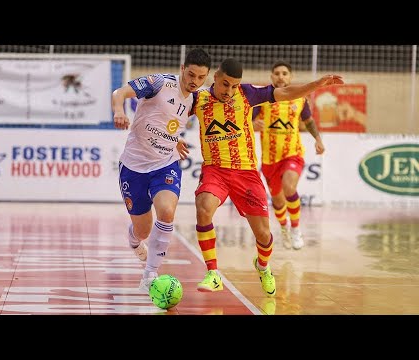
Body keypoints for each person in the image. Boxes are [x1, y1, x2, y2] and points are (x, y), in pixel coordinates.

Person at [190, 58, 343, 297]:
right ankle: (213, 273)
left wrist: (315, 84)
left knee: (263, 234)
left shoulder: (248, 93)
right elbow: (172, 113)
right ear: (215, 77)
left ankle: (263, 266)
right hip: (215, 169)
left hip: (246, 172)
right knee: (203, 207)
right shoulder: (198, 99)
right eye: (225, 85)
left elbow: (287, 92)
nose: (229, 91)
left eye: (234, 86)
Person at [112, 48, 212, 292]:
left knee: (167, 211)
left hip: (164, 164)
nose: (194, 82)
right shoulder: (159, 83)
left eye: (201, 78)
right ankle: (134, 241)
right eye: (191, 75)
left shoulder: (197, 97)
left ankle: (150, 274)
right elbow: (120, 92)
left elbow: (170, 123)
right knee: (143, 230)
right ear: (182, 69)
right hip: (134, 165)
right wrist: (118, 110)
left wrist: (173, 139)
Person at [252, 60, 324, 250]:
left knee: (289, 187)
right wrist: (252, 124)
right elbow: (247, 120)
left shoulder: (300, 99)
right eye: (277, 73)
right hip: (269, 159)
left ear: (290, 77)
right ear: (271, 76)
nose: (281, 76)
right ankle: (283, 227)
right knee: (277, 199)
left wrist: (318, 139)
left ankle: (295, 228)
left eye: (284, 73)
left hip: (293, 153)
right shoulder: (263, 99)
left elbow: (308, 121)